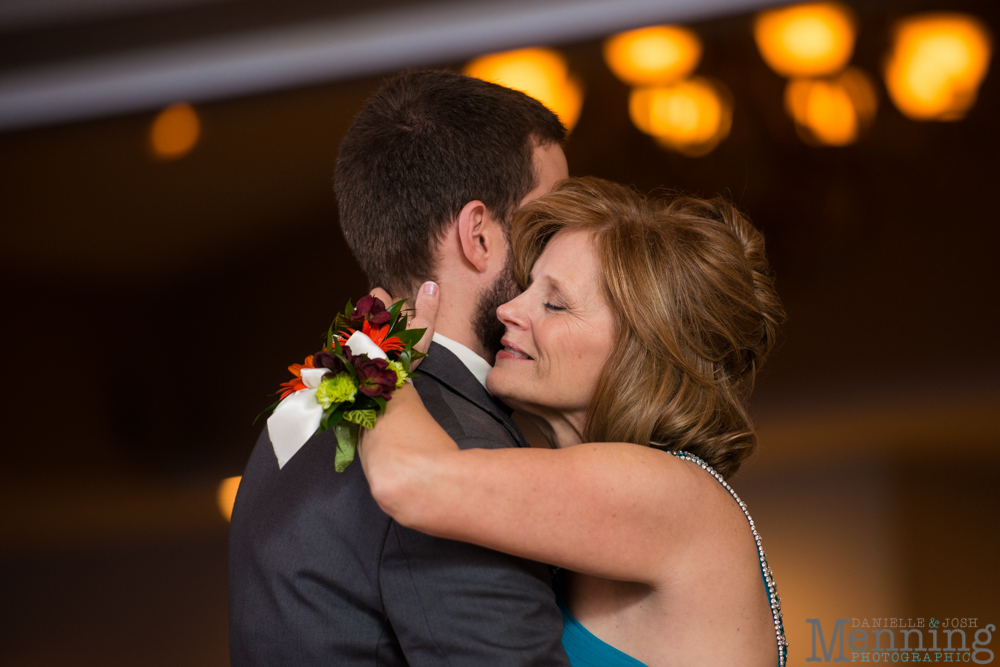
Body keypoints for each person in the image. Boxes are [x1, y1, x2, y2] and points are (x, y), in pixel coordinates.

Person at [360, 177, 790, 666]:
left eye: (554, 303)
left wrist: (375, 357)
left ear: (638, 354)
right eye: (527, 288)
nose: (507, 309)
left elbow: (408, 480)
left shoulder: (670, 493)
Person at [229, 69, 570, 666]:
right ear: (480, 236)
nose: (565, 242)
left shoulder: (308, 407)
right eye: (550, 221)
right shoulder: (458, 451)